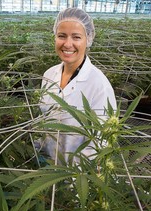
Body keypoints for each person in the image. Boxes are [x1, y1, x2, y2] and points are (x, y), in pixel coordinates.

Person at [39, 7, 117, 164]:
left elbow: (101, 140)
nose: (68, 44)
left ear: (88, 39)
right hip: (47, 166)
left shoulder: (99, 84)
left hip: (78, 174)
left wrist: (78, 180)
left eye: (76, 37)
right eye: (62, 36)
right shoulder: (49, 75)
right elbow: (43, 121)